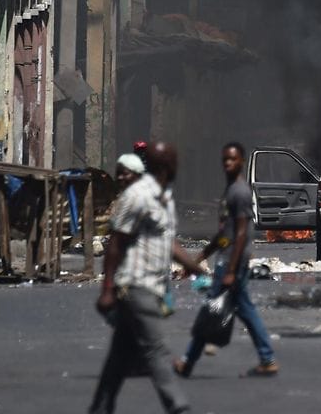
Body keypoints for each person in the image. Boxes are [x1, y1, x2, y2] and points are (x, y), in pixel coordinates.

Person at [89, 142, 205, 414]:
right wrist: (107, 289)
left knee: (117, 359)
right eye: (175, 161)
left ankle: (99, 408)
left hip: (151, 286)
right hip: (135, 286)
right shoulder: (138, 196)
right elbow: (116, 243)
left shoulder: (163, 196)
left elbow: (169, 242)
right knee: (155, 351)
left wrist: (197, 268)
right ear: (165, 166)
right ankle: (179, 407)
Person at [176, 142, 279, 377]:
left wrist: (231, 269)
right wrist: (201, 256)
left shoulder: (240, 192)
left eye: (232, 159)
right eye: (225, 160)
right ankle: (267, 358)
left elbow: (242, 233)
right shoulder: (230, 191)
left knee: (212, 308)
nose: (228, 163)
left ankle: (187, 361)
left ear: (242, 161)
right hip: (228, 258)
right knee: (243, 310)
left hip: (231, 262)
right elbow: (225, 234)